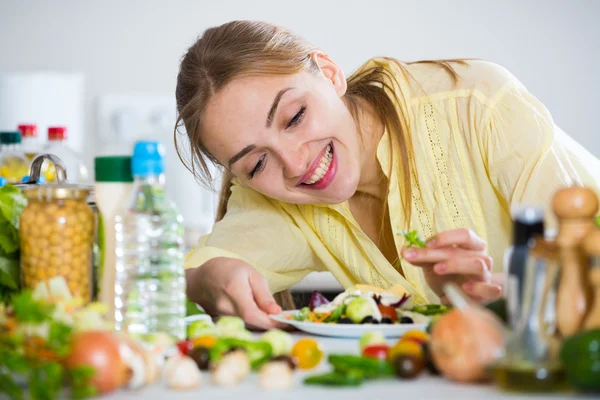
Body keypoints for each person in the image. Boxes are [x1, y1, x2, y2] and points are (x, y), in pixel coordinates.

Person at [176, 20, 600, 329]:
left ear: (329, 72)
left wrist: (506, 290)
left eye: (295, 116)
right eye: (257, 163)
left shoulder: (477, 103)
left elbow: (590, 253)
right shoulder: (274, 197)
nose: (294, 162)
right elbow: (186, 274)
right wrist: (208, 280)